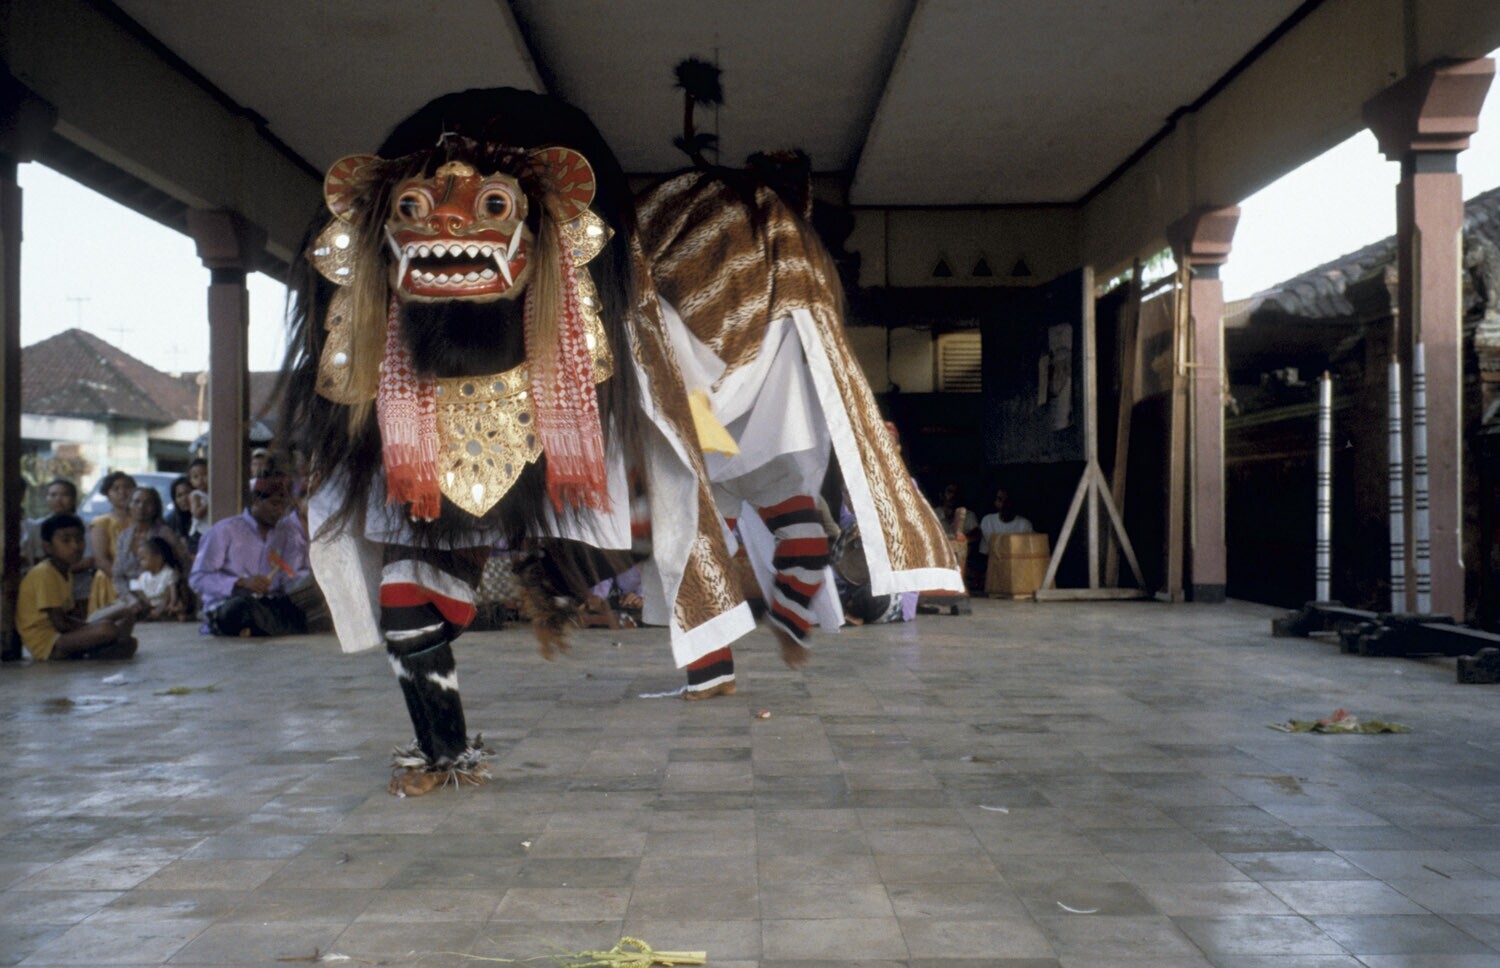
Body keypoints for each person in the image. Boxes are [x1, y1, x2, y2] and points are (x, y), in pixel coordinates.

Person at [189, 472, 312, 637]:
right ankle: (258, 626)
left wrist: (306, 583)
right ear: (255, 500)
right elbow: (198, 578)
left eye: (284, 506)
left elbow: (290, 579)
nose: (280, 511)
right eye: (275, 504)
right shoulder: (225, 530)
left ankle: (255, 628)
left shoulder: (285, 534)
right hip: (229, 604)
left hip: (267, 605)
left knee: (304, 609)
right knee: (239, 609)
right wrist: (240, 583)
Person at [16, 514, 137, 661]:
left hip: (65, 634)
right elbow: (61, 624)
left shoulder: (65, 571)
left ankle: (96, 649)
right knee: (107, 629)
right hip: (50, 643)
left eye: (79, 539)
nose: (75, 546)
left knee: (127, 614)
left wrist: (91, 628)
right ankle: (95, 650)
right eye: (66, 540)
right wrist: (92, 628)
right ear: (48, 547)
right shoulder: (44, 573)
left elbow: (68, 616)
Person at [108, 486, 192, 606]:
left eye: (148, 503)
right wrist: (129, 598)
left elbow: (183, 566)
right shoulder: (124, 537)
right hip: (131, 599)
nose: (141, 506)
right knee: (101, 615)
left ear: (155, 508)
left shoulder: (165, 534)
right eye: (136, 502)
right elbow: (118, 576)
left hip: (162, 599)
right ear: (129, 506)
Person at [86, 471, 135, 605]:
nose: (122, 492)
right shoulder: (102, 523)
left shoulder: (141, 521)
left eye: (127, 487)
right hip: (111, 581)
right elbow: (101, 561)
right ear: (107, 494)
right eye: (116, 488)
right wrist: (125, 585)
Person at [20, 478, 79, 571]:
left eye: (64, 495)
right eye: (53, 495)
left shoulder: (85, 526)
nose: (58, 499)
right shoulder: (37, 526)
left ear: (73, 499)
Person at [128, 536, 190, 621]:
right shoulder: (143, 576)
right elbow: (140, 594)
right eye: (139, 559)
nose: (140, 562)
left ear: (158, 558)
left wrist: (171, 604)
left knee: (178, 607)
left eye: (143, 558)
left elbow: (172, 593)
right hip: (151, 605)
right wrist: (147, 605)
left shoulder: (168, 573)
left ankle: (168, 614)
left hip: (166, 603)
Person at [978, 487, 1035, 555]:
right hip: (990, 560)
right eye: (1000, 499)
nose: (1003, 504)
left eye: (1007, 501)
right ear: (995, 502)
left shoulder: (1024, 525)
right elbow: (985, 552)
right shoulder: (987, 521)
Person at [164, 474, 199, 556]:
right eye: (179, 495)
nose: (184, 498)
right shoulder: (170, 521)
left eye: (188, 493)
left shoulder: (202, 516)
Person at [186, 457, 211, 543]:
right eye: (195, 477)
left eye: (204, 474)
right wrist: (209, 504)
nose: (200, 479)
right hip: (198, 533)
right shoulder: (196, 495)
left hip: (208, 531)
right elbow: (196, 514)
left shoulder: (211, 493)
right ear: (191, 481)